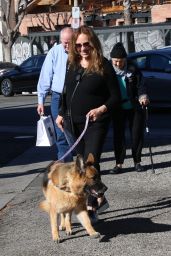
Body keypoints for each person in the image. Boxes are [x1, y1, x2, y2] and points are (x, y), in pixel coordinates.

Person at [56, 25, 121, 223]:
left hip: (95, 123)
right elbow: (65, 92)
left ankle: (91, 205)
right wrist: (60, 114)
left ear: (93, 44)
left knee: (91, 161)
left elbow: (116, 97)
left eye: (86, 44)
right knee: (83, 166)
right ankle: (100, 196)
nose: (83, 49)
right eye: (78, 45)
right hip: (73, 123)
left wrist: (101, 109)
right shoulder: (72, 64)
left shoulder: (104, 65)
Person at [110, 42, 150, 174]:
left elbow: (141, 85)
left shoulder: (133, 69)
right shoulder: (108, 71)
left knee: (137, 134)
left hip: (134, 106)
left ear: (125, 59)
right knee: (118, 135)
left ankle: (137, 161)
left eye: (120, 61)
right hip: (117, 107)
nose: (117, 64)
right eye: (115, 61)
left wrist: (143, 96)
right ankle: (119, 163)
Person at [37, 27, 73, 162]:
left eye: (69, 42)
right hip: (58, 96)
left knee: (77, 130)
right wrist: (41, 100)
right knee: (60, 132)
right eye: (64, 42)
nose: (67, 45)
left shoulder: (81, 51)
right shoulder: (55, 52)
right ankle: (66, 164)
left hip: (75, 95)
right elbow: (45, 77)